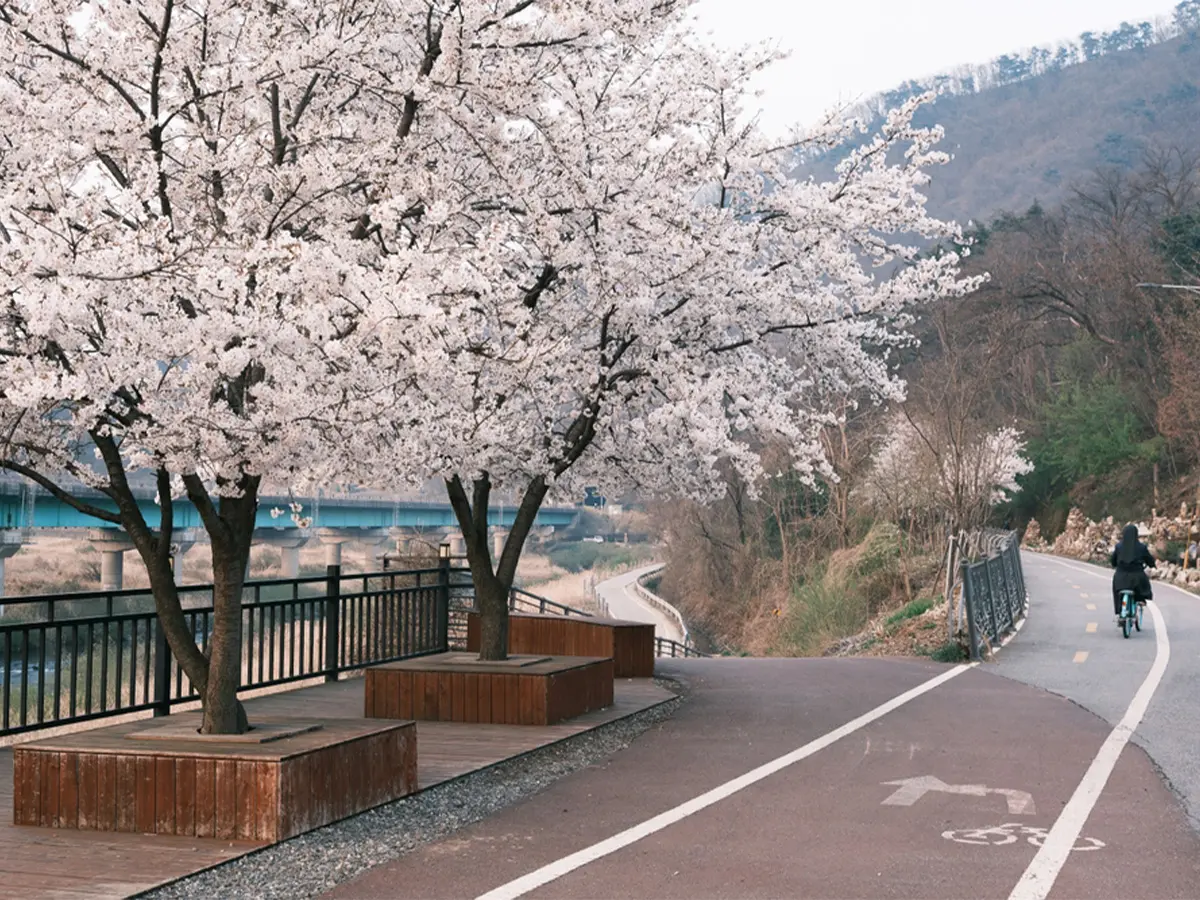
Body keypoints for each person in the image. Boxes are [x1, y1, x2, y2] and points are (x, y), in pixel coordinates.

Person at [1110, 524, 1155, 617]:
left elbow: (1113, 561)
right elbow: (1149, 559)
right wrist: (1152, 564)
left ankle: (1120, 610)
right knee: (1144, 586)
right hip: (1137, 577)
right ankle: (1142, 601)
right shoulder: (1141, 547)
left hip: (1121, 578)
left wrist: (1115, 564)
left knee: (1117, 591)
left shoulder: (1118, 546)